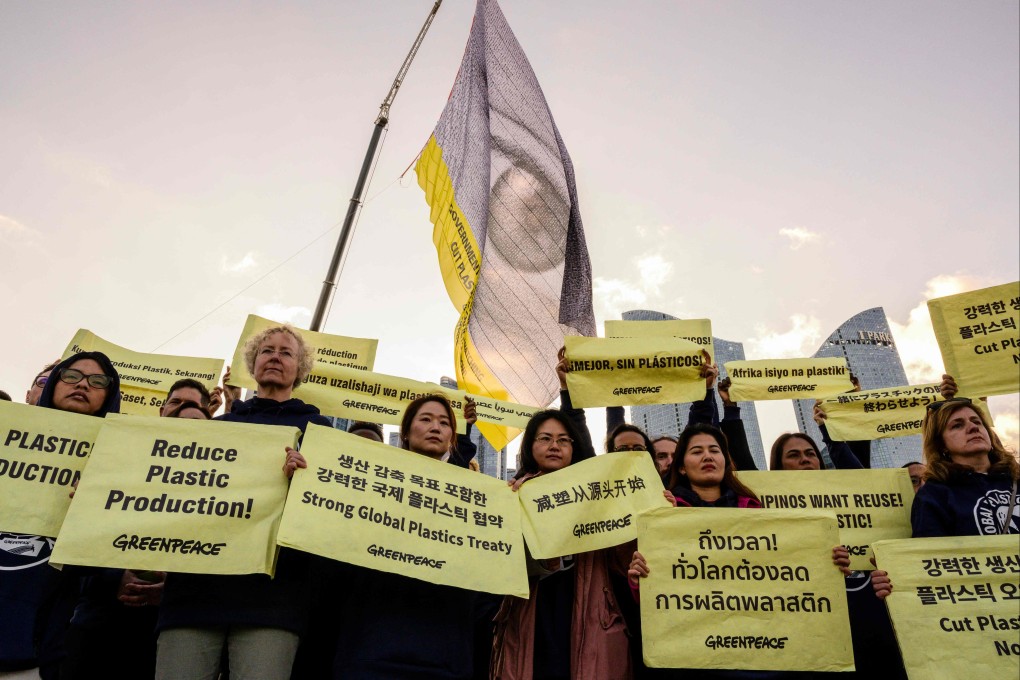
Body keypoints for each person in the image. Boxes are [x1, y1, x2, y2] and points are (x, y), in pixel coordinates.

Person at [155, 325, 331, 680]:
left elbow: (328, 510)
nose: (275, 357)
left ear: (300, 369)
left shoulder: (319, 430)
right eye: (267, 351)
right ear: (253, 363)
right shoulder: (218, 428)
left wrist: (305, 480)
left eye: (286, 352)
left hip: (273, 600)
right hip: (196, 593)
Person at [628, 425, 850, 679]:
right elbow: (657, 598)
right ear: (681, 466)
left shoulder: (759, 512)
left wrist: (829, 564)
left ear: (725, 459)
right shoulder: (663, 516)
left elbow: (791, 578)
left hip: (764, 653)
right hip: (695, 657)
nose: (708, 456)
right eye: (697, 451)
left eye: (714, 450)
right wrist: (639, 580)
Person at [331, 394, 499, 679]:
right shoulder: (370, 486)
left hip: (442, 653)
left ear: (451, 437)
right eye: (426, 419)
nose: (436, 427)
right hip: (372, 649)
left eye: (445, 423)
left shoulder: (475, 499)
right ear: (405, 434)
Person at [0, 353, 122, 680]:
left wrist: (97, 508)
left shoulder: (116, 467)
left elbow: (100, 567)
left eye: (98, 381)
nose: (83, 384)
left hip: (31, 649)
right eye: (71, 375)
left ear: (109, 396)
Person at [492, 409, 631, 680]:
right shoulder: (511, 497)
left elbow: (622, 561)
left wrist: (649, 514)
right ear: (530, 446)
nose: (554, 446)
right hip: (531, 613)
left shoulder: (599, 493)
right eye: (545, 438)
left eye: (564, 440)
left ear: (573, 447)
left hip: (590, 612)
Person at [872, 379, 1019, 604]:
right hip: (987, 610)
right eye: (957, 425)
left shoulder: (1016, 480)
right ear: (941, 445)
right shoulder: (935, 495)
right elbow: (930, 566)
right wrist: (897, 578)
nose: (972, 427)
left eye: (977, 421)